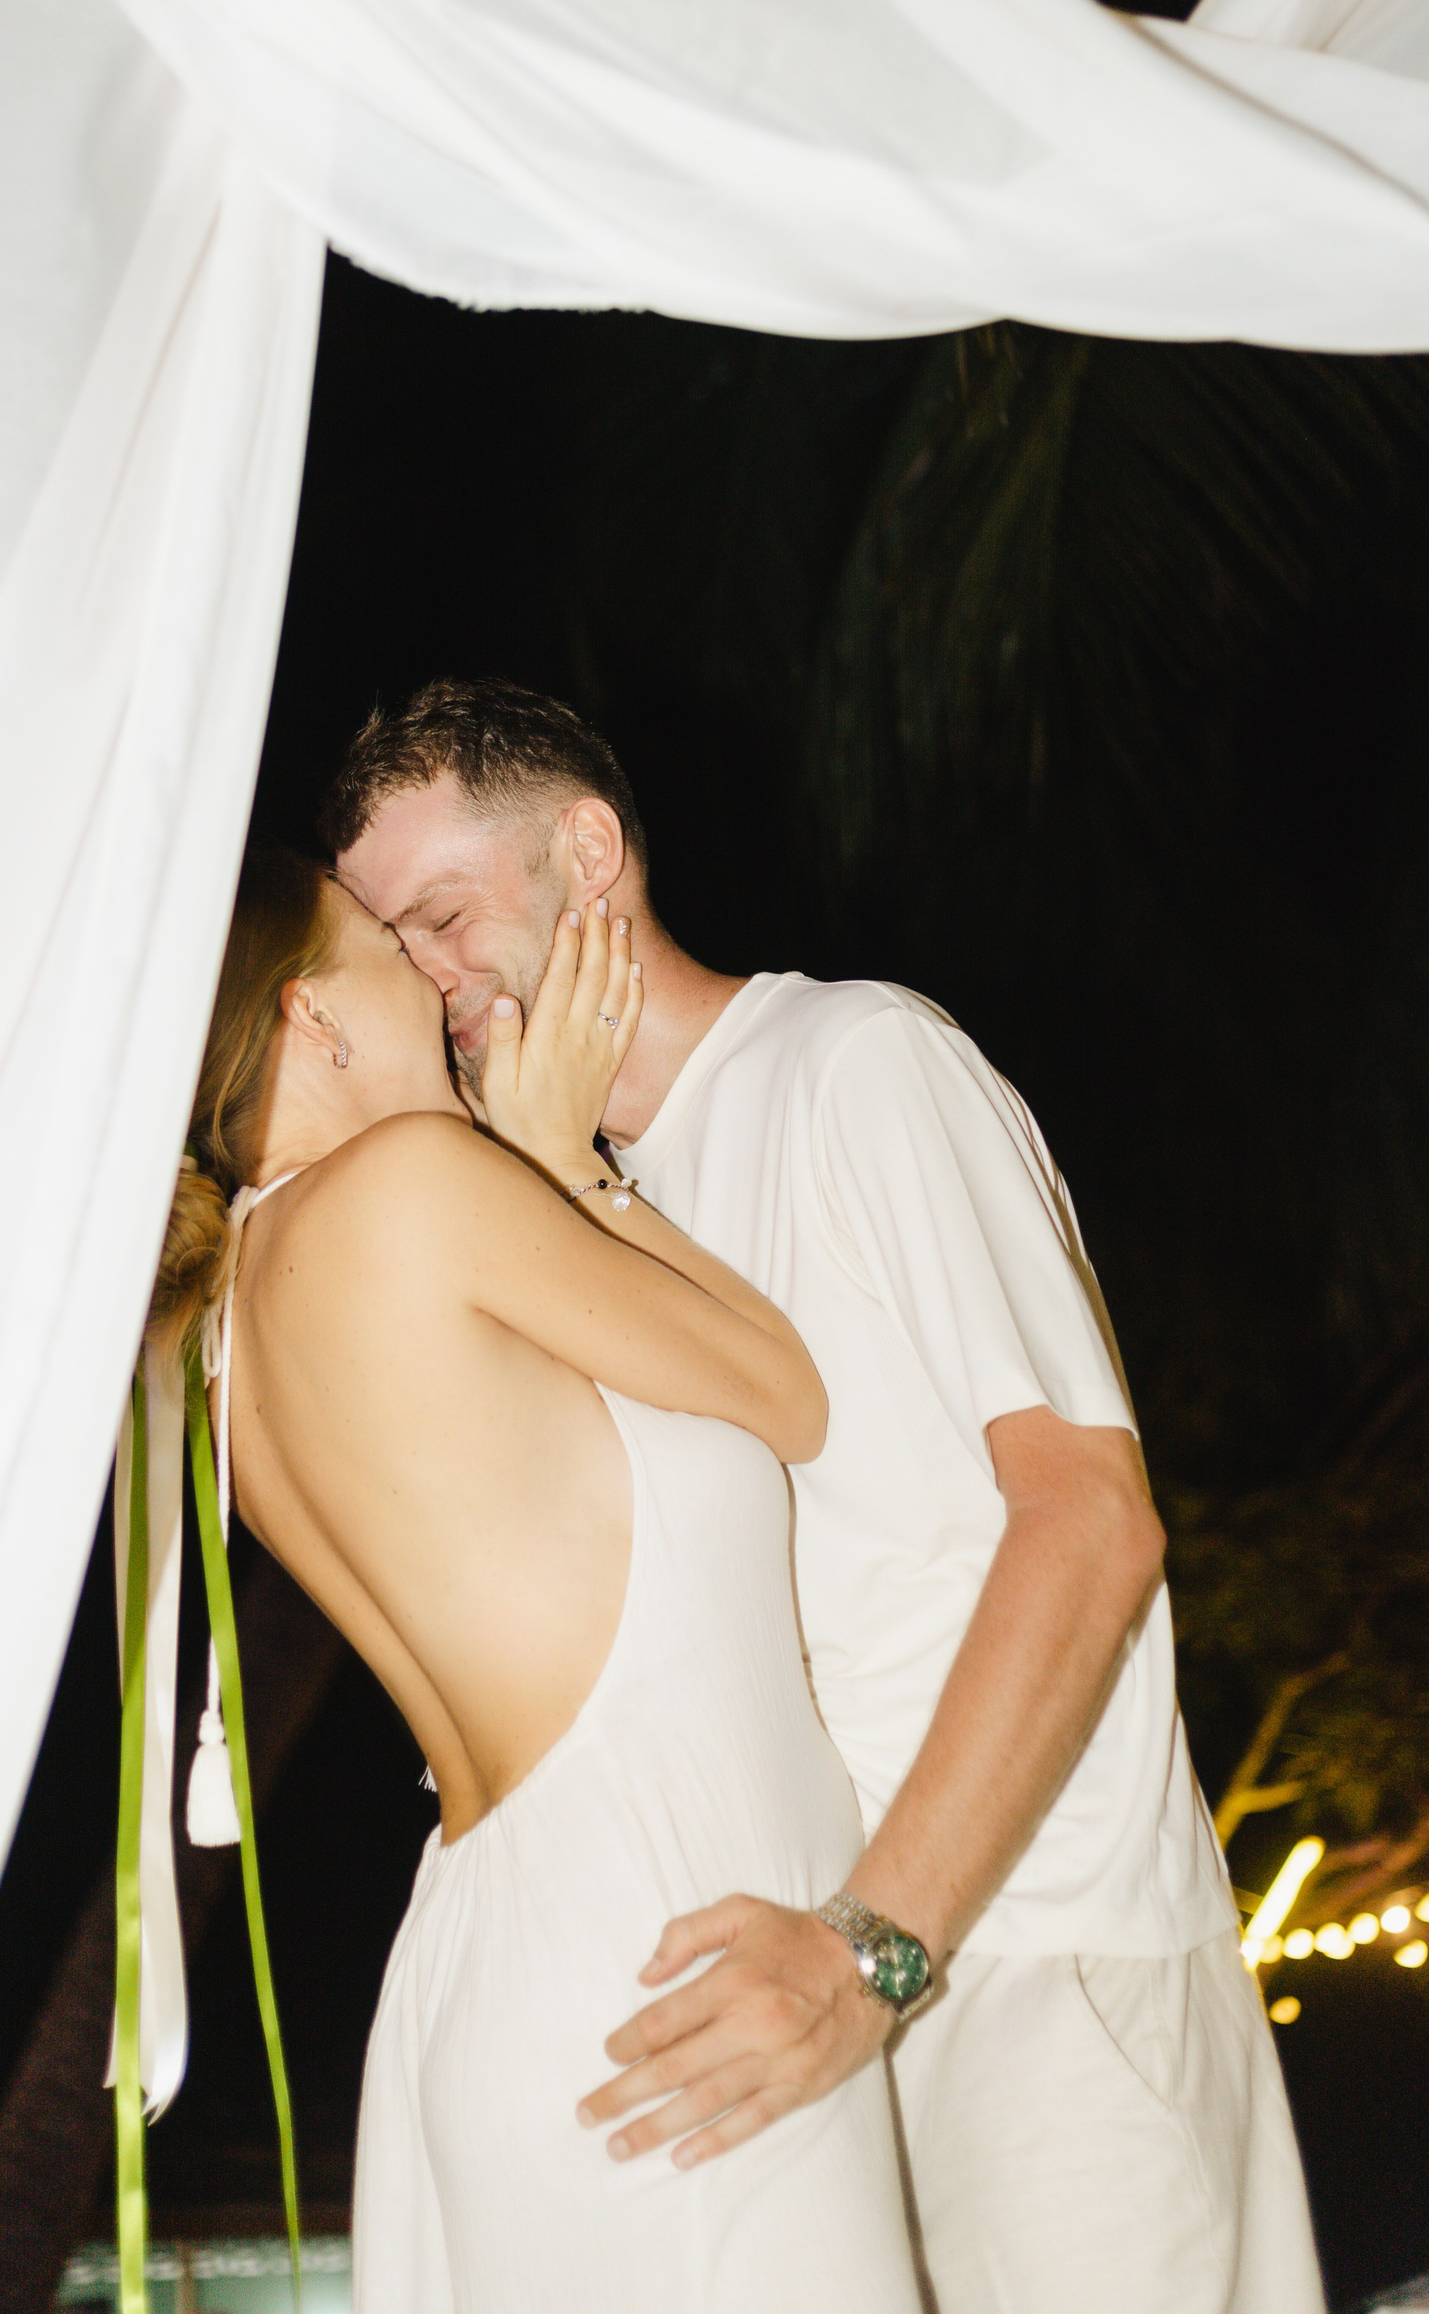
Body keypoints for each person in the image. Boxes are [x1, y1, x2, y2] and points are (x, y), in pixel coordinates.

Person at [327, 677, 1329, 2314]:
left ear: (591, 855)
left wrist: (874, 1950)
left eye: (441, 917)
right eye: (388, 945)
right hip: (806, 2000)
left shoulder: (857, 1062)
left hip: (1033, 1963)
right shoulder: (573, 1210)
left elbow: (1090, 1520)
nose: (424, 977)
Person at [150, 847, 922, 2314]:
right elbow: (787, 1392)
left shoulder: (223, 1334)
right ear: (312, 1014)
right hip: (661, 1952)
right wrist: (568, 1160)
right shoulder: (417, 1186)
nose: (434, 979)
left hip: (497, 1963)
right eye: (392, 945)